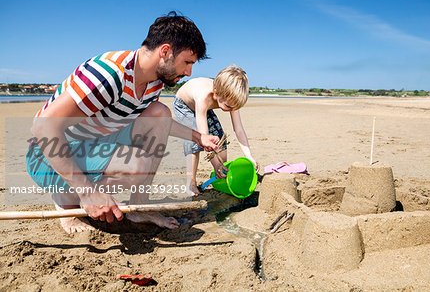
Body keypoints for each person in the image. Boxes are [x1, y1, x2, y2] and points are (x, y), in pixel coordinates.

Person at [26, 12, 221, 234]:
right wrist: (87, 191)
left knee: (160, 113)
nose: (189, 72)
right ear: (165, 51)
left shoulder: (153, 83)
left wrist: (199, 137)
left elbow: (160, 124)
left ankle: (140, 207)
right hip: (47, 155)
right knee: (137, 164)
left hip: (94, 142)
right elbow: (42, 127)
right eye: (187, 62)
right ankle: (67, 199)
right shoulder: (109, 74)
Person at [173, 65, 258, 195]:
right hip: (184, 105)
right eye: (228, 106)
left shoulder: (231, 98)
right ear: (216, 93)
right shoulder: (204, 97)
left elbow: (238, 129)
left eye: (234, 107)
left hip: (205, 108)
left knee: (220, 139)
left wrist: (249, 156)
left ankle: (222, 174)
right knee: (193, 145)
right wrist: (214, 163)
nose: (231, 109)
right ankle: (191, 184)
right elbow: (204, 137)